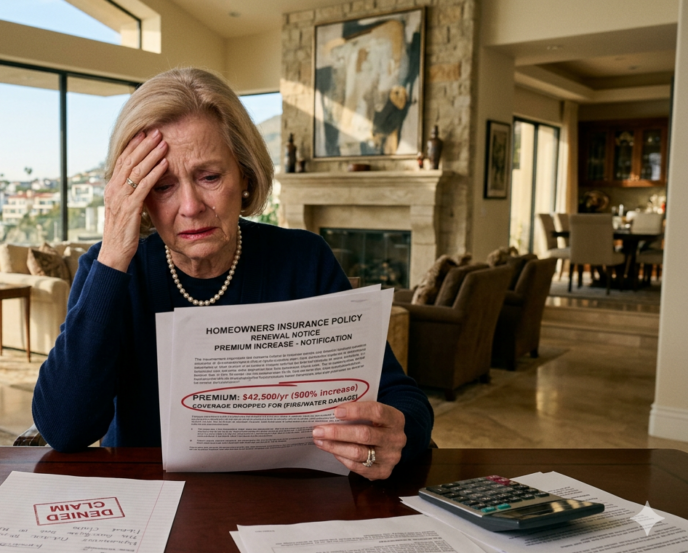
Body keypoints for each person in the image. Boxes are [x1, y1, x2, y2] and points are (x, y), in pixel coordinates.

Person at [33, 68, 432, 480]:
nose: (190, 206)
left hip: (282, 505)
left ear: (244, 174)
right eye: (163, 186)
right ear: (136, 195)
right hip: (150, 505)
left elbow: (401, 396)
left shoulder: (303, 258)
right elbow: (64, 429)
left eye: (209, 177)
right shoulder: (109, 270)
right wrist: (114, 254)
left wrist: (395, 435)